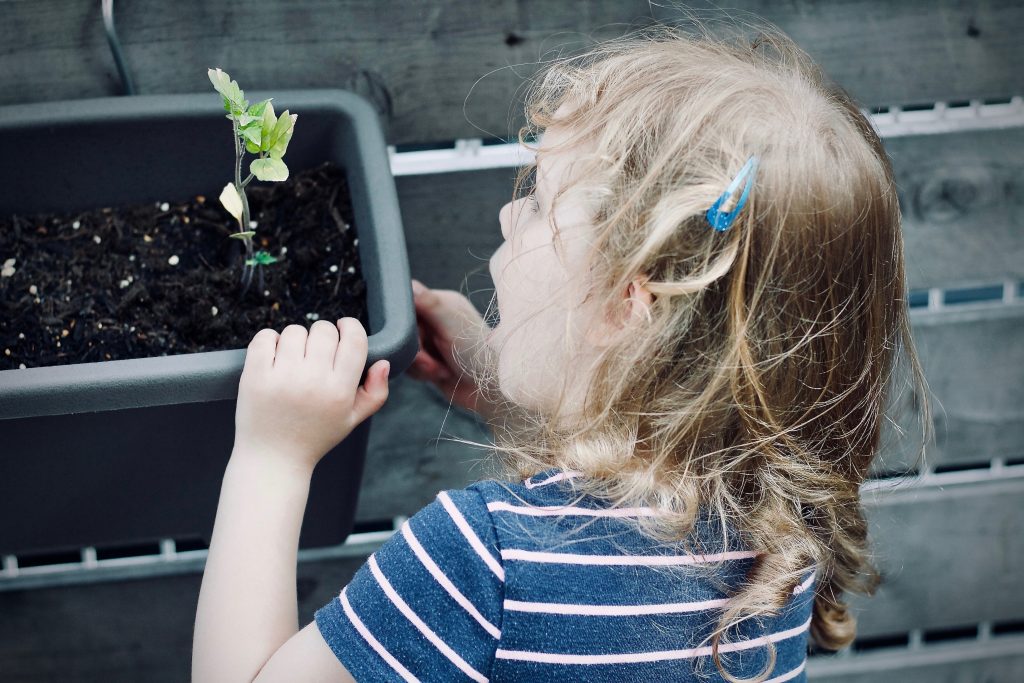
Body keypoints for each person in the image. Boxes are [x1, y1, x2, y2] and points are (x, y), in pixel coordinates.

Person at [193, 19, 932, 683]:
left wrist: (270, 457)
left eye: (541, 200)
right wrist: (500, 392)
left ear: (625, 305)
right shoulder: (783, 539)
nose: (509, 214)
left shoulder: (484, 563)